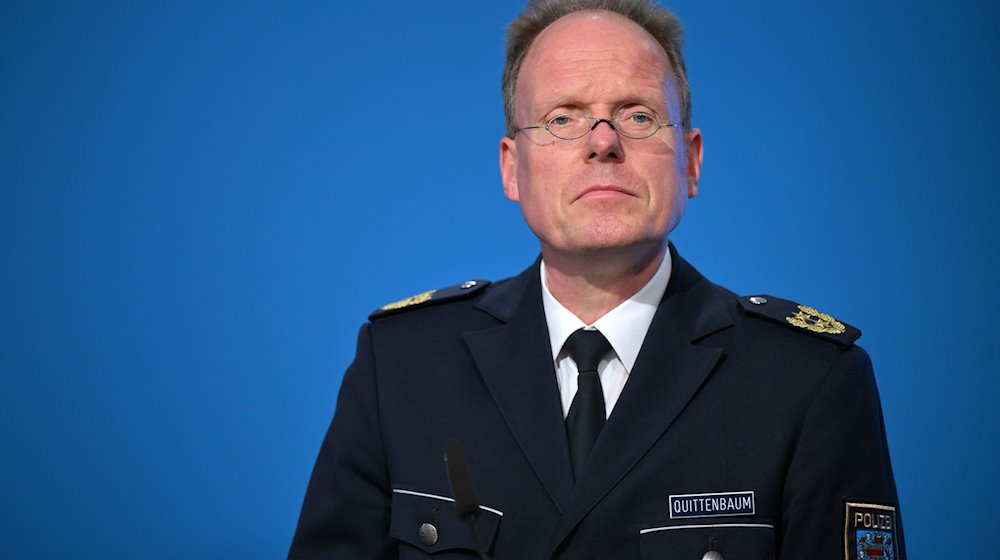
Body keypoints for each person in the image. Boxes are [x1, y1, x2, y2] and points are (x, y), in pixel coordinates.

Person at [289, 0, 904, 558]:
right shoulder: (401, 366)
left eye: (638, 115)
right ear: (512, 169)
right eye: (563, 118)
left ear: (690, 162)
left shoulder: (809, 380)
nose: (603, 143)